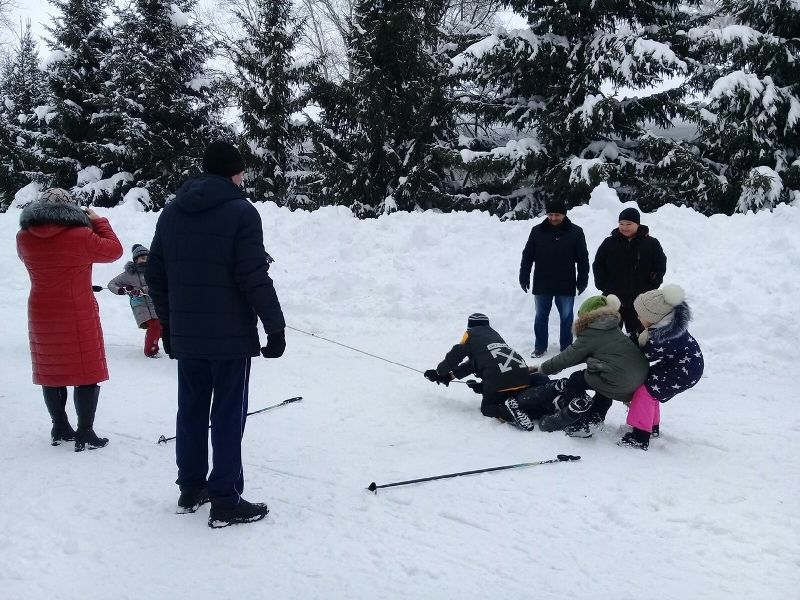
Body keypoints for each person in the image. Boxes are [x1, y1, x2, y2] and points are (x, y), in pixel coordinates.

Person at [146, 140, 286, 528]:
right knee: (227, 415)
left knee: (191, 411)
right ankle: (225, 500)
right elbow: (253, 275)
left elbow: (155, 276)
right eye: (242, 171)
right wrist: (275, 328)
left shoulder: (172, 211)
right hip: (229, 340)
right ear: (234, 173)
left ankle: (191, 488)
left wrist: (171, 328)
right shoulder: (242, 212)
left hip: (189, 336)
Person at [16, 187, 123, 450]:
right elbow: (115, 251)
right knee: (86, 371)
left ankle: (60, 426)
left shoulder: (24, 237)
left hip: (41, 311)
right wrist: (99, 221)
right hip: (77, 310)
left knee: (52, 371)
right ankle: (85, 432)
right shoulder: (81, 236)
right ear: (71, 209)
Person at [529, 294, 649, 433]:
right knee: (603, 379)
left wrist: (542, 369)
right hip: (638, 379)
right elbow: (578, 356)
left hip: (620, 380)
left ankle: (576, 417)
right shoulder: (612, 329)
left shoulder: (592, 332)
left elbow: (566, 358)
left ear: (586, 316)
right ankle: (596, 416)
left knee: (576, 379)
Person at [618, 284, 705, 450]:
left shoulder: (665, 336)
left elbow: (645, 354)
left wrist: (624, 351)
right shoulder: (662, 324)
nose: (637, 318)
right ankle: (651, 427)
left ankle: (640, 436)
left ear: (653, 317)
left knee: (646, 392)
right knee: (651, 390)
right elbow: (639, 337)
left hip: (685, 371)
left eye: (640, 315)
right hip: (675, 365)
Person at [423, 313, 537, 430]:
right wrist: (450, 376)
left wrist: (439, 372)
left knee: (487, 408)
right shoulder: (495, 335)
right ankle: (523, 408)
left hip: (499, 379)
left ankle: (507, 412)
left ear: (469, 326)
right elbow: (475, 362)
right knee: (508, 394)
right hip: (523, 376)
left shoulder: (470, 335)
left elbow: (456, 353)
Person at [519, 198, 589, 357]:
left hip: (566, 283)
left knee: (567, 317)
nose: (553, 218)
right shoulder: (537, 231)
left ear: (564, 214)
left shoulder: (576, 232)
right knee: (540, 316)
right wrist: (524, 276)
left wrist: (582, 280)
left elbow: (583, 259)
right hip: (542, 283)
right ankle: (540, 347)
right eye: (550, 214)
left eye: (557, 215)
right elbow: (528, 256)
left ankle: (566, 348)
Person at [592, 207, 667, 333]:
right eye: (621, 224)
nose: (624, 227)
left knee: (638, 335)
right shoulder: (609, 242)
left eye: (628, 224)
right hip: (613, 298)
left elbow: (660, 265)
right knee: (610, 334)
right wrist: (602, 284)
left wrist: (652, 285)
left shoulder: (651, 243)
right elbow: (598, 264)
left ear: (637, 224)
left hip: (640, 299)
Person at [107, 244, 161, 357]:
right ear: (136, 260)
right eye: (142, 258)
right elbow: (111, 284)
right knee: (155, 326)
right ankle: (150, 351)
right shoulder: (128, 274)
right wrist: (122, 290)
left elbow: (160, 284)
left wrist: (142, 290)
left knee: (160, 327)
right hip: (140, 306)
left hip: (155, 304)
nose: (145, 260)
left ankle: (153, 341)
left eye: (147, 257)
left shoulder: (155, 271)